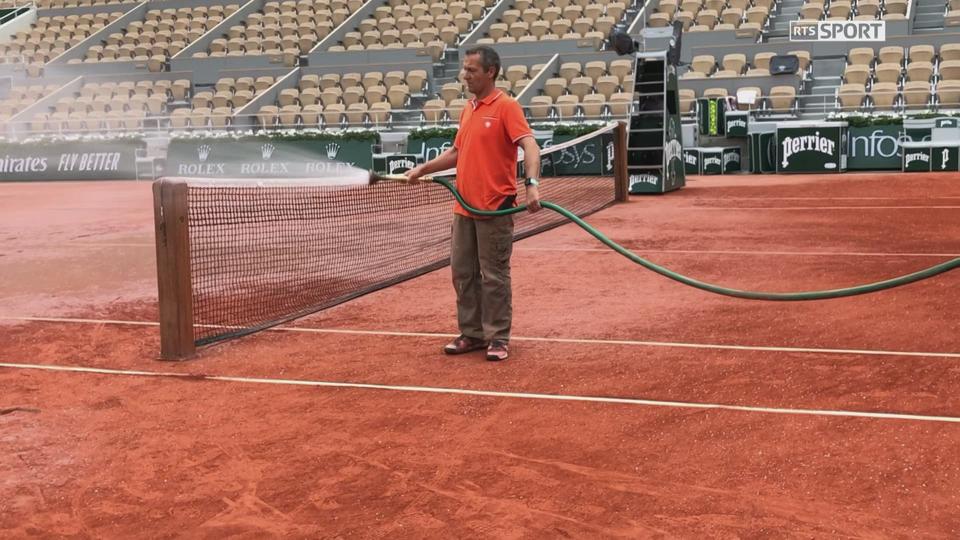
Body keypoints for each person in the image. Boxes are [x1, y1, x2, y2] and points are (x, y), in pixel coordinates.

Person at [406, 45, 541, 362]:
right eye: (464, 69)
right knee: (463, 274)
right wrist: (422, 169)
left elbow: (530, 147)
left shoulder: (506, 107)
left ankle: (498, 337)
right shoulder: (469, 108)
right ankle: (472, 333)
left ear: (490, 72)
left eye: (471, 70)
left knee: (493, 276)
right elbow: (457, 152)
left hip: (494, 208)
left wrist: (532, 185)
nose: (464, 75)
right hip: (464, 208)